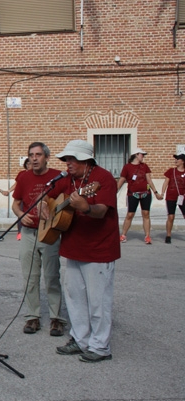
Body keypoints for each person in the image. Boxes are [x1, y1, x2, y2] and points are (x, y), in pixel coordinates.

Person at [49, 140, 120, 363]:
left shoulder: (103, 178)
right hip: (72, 248)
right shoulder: (68, 179)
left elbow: (101, 211)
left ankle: (100, 347)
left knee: (98, 301)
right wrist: (46, 206)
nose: (68, 163)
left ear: (86, 160)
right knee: (74, 298)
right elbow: (50, 198)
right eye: (66, 159)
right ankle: (80, 340)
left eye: (72, 159)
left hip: (98, 250)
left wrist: (86, 207)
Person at [12, 142, 65, 336]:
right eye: (31, 155)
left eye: (38, 155)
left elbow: (66, 202)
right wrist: (20, 214)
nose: (34, 158)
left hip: (49, 233)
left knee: (52, 277)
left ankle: (56, 318)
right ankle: (32, 317)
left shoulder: (58, 177)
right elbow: (16, 204)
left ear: (46, 157)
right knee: (30, 277)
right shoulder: (24, 177)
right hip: (28, 233)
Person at [116, 148, 159, 244]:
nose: (143, 156)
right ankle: (123, 235)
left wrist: (156, 192)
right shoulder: (127, 167)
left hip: (146, 193)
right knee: (130, 214)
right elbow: (122, 179)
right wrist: (115, 190)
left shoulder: (145, 166)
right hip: (132, 194)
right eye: (141, 154)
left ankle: (147, 236)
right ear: (136, 155)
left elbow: (149, 180)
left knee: (146, 214)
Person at [159, 153, 185, 244]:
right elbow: (166, 182)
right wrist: (162, 193)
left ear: (182, 161)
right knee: (171, 216)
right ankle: (168, 235)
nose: (176, 160)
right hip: (171, 196)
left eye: (178, 159)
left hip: (183, 197)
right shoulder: (171, 171)